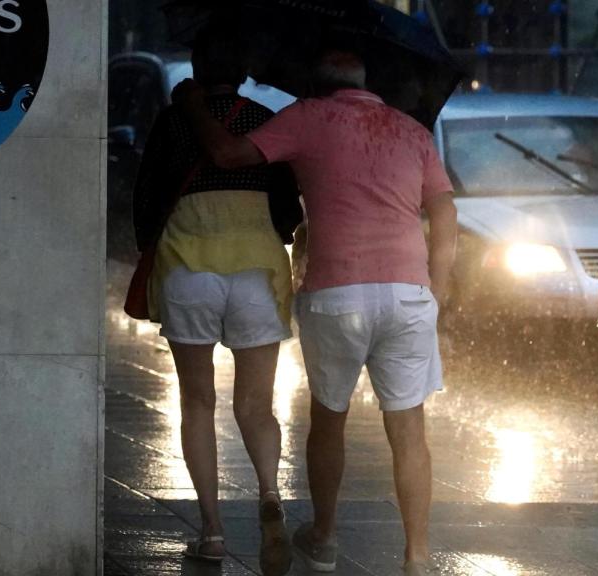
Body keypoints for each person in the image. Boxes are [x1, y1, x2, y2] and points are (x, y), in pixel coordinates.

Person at [173, 47, 458, 575]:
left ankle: (323, 538)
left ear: (316, 82)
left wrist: (192, 105)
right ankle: (417, 557)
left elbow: (229, 156)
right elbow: (443, 208)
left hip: (338, 294)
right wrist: (436, 285)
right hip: (408, 294)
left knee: (330, 419)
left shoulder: (308, 116)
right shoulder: (411, 130)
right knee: (410, 430)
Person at [131, 26, 302, 574]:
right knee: (256, 405)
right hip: (256, 270)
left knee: (197, 403)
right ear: (245, 70)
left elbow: (145, 197)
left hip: (187, 267)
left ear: (196, 71)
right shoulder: (263, 122)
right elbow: (288, 211)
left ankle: (210, 531)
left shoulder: (175, 121)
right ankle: (270, 492)